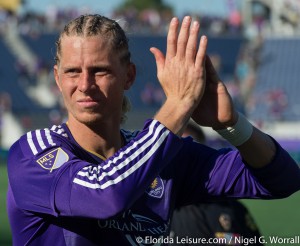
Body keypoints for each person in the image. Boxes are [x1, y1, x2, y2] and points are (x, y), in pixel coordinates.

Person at [6, 14, 300, 246]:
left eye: (100, 71)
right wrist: (180, 103)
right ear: (57, 78)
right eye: (72, 71)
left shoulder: (166, 159)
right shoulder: (32, 153)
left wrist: (232, 124)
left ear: (129, 76)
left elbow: (282, 180)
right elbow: (105, 194)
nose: (84, 84)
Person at [170, 120, 264, 245]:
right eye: (176, 150)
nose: (183, 159)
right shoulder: (157, 206)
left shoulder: (233, 208)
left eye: (189, 151)